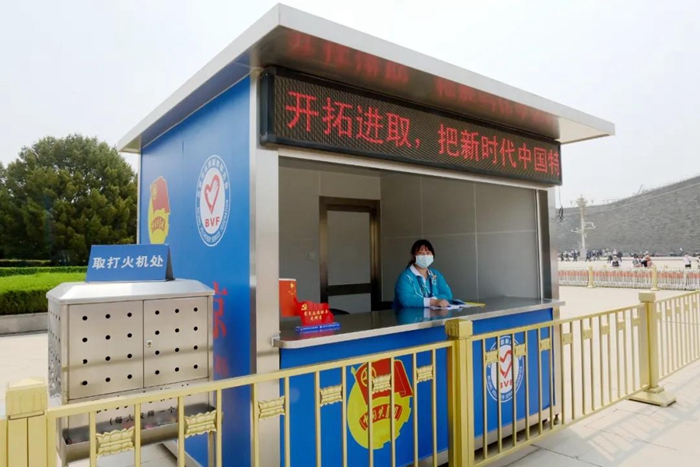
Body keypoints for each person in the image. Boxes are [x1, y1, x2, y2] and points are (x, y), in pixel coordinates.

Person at [394, 239, 453, 309]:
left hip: (434, 314)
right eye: (421, 253)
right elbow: (406, 300)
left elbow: (448, 294)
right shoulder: (405, 277)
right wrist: (433, 302)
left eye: (428, 253)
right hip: (410, 315)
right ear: (413, 256)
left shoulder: (436, 274)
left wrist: (434, 301)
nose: (425, 256)